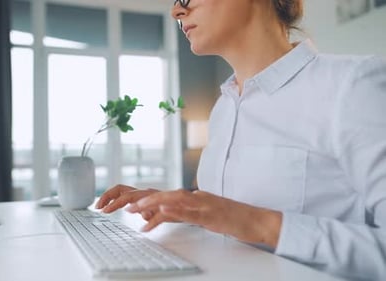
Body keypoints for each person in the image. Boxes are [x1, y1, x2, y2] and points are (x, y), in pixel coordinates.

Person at [96, 0, 386, 280]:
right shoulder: (224, 108)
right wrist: (184, 208)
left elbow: (247, 220)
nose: (175, 10)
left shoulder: (354, 84)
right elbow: (234, 216)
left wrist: (260, 223)